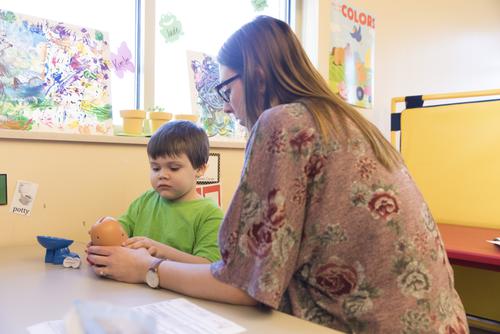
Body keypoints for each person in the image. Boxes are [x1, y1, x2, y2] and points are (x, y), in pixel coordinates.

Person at [87, 16, 468, 333]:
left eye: (226, 88)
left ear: (257, 76)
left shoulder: (283, 124)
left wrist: (148, 270)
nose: (228, 106)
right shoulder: (343, 120)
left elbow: (245, 286)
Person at [98, 120, 223, 264]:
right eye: (155, 168)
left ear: (200, 169)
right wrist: (104, 241)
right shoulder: (145, 200)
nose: (162, 175)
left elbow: (208, 266)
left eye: (174, 168)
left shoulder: (210, 214)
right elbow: (121, 233)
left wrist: (161, 251)